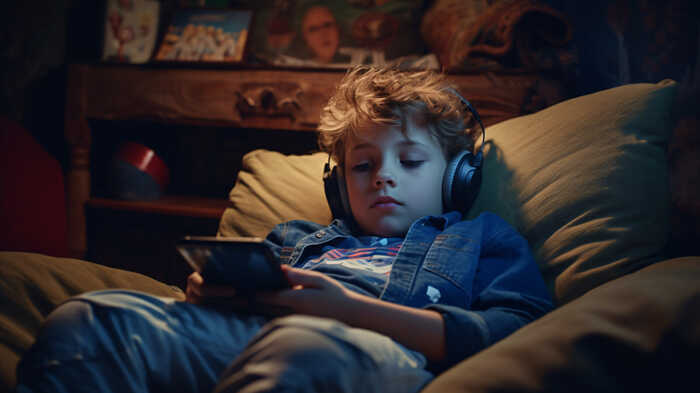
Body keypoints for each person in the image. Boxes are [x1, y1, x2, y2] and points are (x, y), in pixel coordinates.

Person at [16, 66, 553, 393]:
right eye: (363, 166)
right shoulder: (295, 239)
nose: (384, 175)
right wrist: (208, 294)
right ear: (339, 185)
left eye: (411, 161)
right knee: (90, 319)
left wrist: (349, 310)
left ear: (457, 177)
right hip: (239, 339)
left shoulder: (480, 239)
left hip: (372, 353)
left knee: (304, 348)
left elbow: (517, 334)